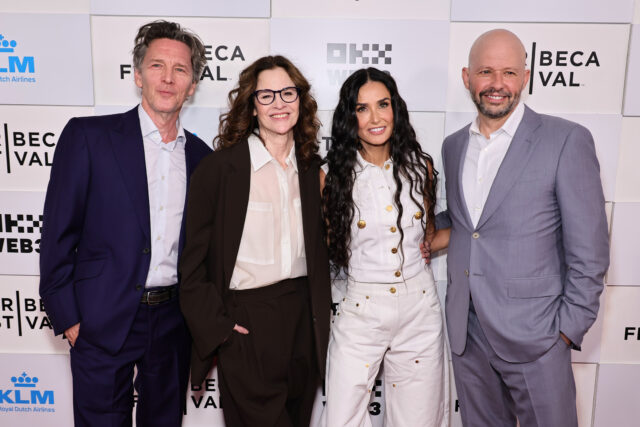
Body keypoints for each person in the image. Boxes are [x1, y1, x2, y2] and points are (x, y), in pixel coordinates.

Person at [38, 21, 211, 427]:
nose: (168, 78)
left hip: (172, 324)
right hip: (101, 320)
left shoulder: (204, 159)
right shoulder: (89, 138)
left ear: (192, 85)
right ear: (137, 75)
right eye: (157, 65)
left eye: (180, 70)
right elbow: (57, 235)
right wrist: (72, 321)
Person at [442, 29, 609, 427]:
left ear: (526, 77)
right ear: (467, 78)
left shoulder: (566, 140)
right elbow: (467, 222)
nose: (497, 84)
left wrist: (565, 332)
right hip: (468, 334)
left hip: (539, 337)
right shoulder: (453, 147)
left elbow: (590, 250)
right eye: (486, 72)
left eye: (509, 73)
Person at [179, 55, 331, 427]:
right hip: (247, 323)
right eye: (266, 95)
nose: (279, 103)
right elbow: (192, 265)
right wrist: (221, 329)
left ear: (301, 100)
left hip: (303, 321)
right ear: (251, 104)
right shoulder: (220, 170)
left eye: (287, 92)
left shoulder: (313, 170)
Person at [321, 67, 450, 427]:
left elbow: (428, 236)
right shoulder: (330, 176)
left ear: (396, 109)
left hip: (419, 308)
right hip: (360, 309)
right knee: (342, 418)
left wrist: (478, 230)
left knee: (418, 419)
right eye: (362, 109)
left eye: (383, 104)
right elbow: (328, 246)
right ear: (350, 118)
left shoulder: (420, 167)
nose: (376, 118)